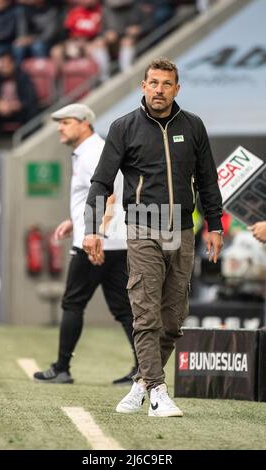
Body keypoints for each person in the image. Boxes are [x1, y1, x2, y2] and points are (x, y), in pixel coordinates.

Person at [83, 57, 223, 417]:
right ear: (142, 86)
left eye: (167, 84)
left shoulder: (193, 126)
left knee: (173, 319)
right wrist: (92, 229)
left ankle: (140, 384)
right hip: (143, 226)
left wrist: (216, 225)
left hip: (182, 229)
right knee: (145, 314)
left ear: (177, 88)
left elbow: (208, 180)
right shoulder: (124, 127)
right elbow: (101, 181)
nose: (159, 90)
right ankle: (159, 391)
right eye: (154, 83)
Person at [33, 103, 137, 385]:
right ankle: (142, 369)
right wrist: (73, 219)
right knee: (124, 309)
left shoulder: (92, 151)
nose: (59, 128)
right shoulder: (89, 151)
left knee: (72, 303)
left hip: (96, 242)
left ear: (83, 123)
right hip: (113, 241)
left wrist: (96, 235)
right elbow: (94, 196)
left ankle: (62, 367)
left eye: (65, 122)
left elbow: (111, 195)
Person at [0, 50, 37, 148]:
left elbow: (30, 99)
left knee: (32, 113)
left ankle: (27, 146)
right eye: (2, 64)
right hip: (0, 113)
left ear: (13, 64)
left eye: (7, 64)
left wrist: (17, 105)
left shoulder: (23, 77)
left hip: (19, 112)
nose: (4, 67)